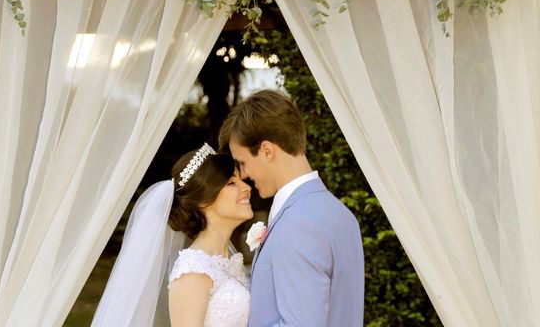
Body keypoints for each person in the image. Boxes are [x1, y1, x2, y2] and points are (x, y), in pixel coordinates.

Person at [219, 89, 365, 327]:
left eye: (243, 163)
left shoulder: (298, 224)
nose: (243, 174)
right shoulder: (342, 214)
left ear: (267, 150)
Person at [91, 143, 253, 327]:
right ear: (203, 200)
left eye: (241, 180)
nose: (246, 187)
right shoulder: (194, 271)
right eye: (232, 182)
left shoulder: (229, 261)